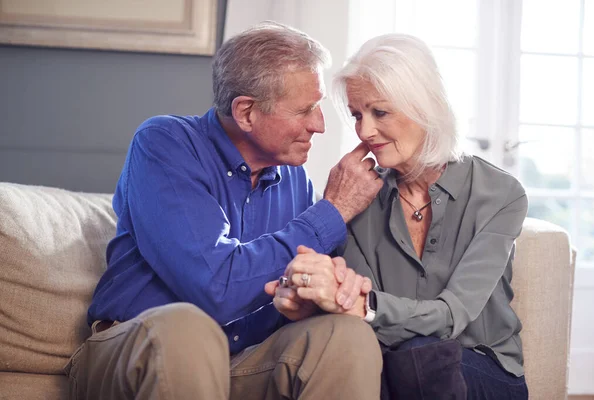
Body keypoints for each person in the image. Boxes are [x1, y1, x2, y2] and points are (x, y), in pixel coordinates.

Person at [64, 22, 385, 400]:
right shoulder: (165, 145)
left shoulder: (296, 181)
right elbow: (214, 286)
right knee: (187, 329)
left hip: (244, 360)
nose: (320, 125)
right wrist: (333, 211)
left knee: (346, 336)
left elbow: (295, 286)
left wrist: (313, 295)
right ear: (246, 112)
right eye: (306, 110)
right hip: (138, 349)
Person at [270, 33, 529, 399]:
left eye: (380, 112)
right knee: (379, 361)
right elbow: (358, 315)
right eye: (358, 115)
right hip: (392, 368)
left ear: (424, 106)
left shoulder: (501, 194)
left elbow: (452, 316)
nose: (364, 131)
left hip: (480, 369)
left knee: (418, 358)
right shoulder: (359, 198)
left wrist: (366, 306)